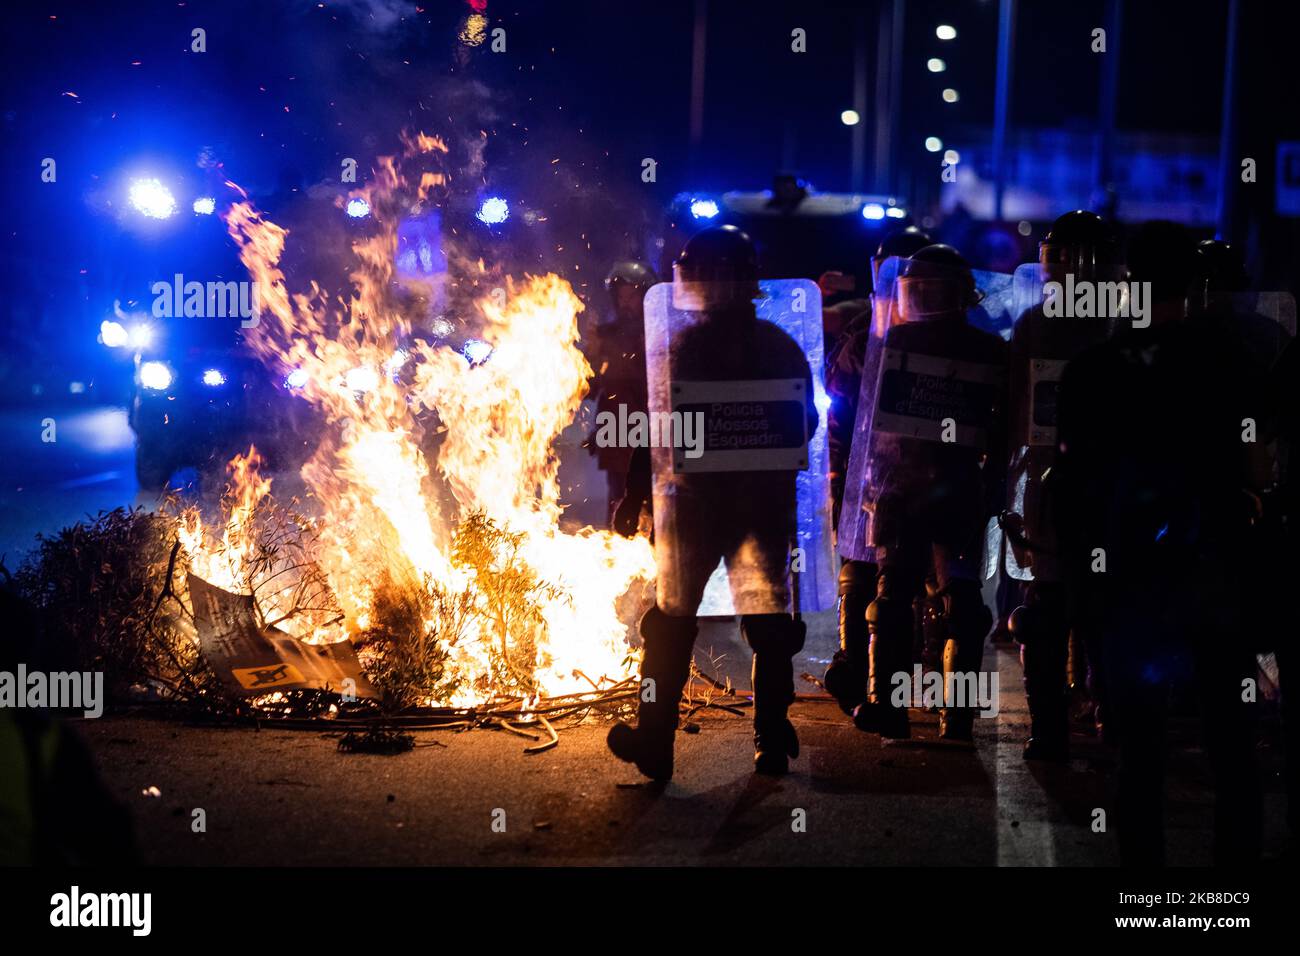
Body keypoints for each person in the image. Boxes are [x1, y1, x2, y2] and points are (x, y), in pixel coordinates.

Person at [1054, 220, 1265, 864]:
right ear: (1196, 285)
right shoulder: (1232, 360)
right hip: (1215, 570)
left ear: (1126, 283)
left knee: (1139, 749)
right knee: (1231, 743)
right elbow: (1255, 462)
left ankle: (1148, 896)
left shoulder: (1093, 369)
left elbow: (1074, 480)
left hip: (1129, 574)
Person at [608, 225, 817, 779]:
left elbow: (656, 428)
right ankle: (770, 738)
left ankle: (655, 739)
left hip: (700, 509)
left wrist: (635, 495)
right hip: (759, 508)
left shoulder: (687, 346)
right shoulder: (778, 345)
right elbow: (806, 423)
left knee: (672, 624)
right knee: (766, 624)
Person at [849, 245, 1008, 741]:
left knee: (894, 598)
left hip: (903, 489)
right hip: (955, 490)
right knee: (959, 601)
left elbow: (862, 420)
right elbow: (1004, 432)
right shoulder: (991, 350)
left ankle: (889, 709)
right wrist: (994, 486)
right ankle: (953, 719)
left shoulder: (893, 341)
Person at [1004, 210, 1120, 760]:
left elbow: (1012, 414)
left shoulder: (1051, 323)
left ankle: (1056, 730)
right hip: (1097, 490)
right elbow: (1016, 409)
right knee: (1089, 609)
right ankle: (1104, 723)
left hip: (1064, 488)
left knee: (1059, 609)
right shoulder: (1116, 324)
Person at [821, 225, 933, 716]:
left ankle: (890, 685)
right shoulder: (866, 331)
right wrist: (838, 471)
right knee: (863, 574)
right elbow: (840, 405)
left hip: (920, 481)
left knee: (902, 583)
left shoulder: (936, 335)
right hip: (869, 474)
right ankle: (857, 671)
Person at [588, 260, 657, 528]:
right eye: (621, 296)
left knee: (657, 502)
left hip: (657, 433)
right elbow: (588, 387)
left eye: (632, 295)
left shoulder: (660, 332)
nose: (626, 302)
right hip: (617, 435)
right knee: (620, 501)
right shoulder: (605, 337)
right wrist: (590, 358)